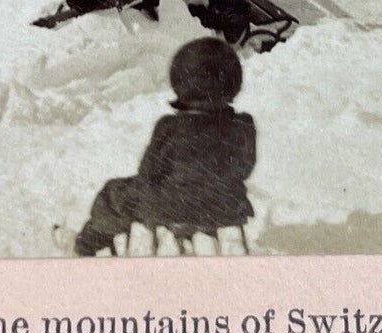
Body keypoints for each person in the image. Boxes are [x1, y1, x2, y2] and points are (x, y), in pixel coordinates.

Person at [74, 37, 255, 257]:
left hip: (169, 204)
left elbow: (149, 173)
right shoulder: (242, 126)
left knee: (112, 194)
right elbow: (244, 167)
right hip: (225, 206)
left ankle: (91, 242)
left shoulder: (169, 126)